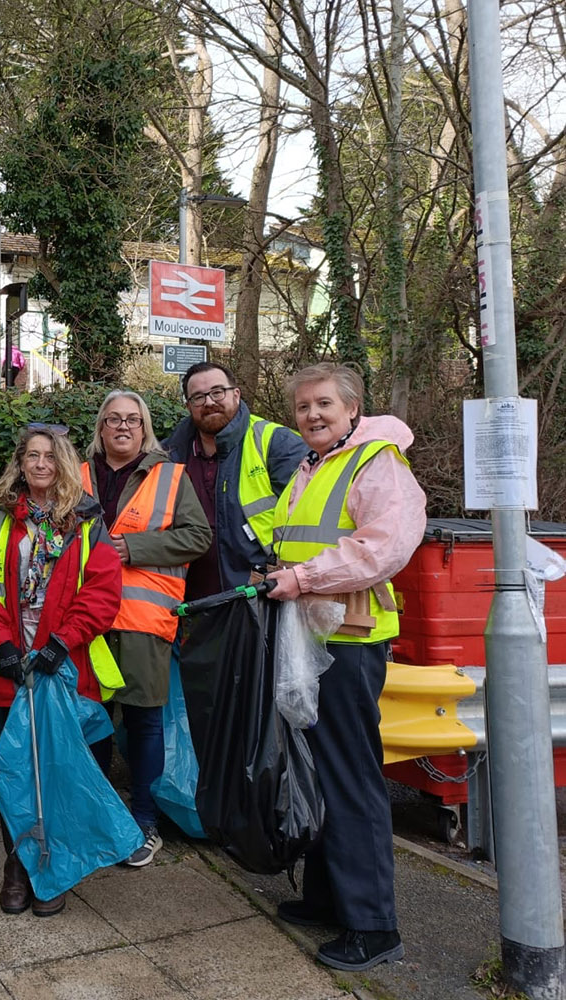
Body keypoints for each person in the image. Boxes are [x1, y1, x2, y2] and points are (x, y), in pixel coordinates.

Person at [265, 363, 425, 972]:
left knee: (351, 776)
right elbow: (301, 540)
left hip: (351, 642)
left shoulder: (377, 462)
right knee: (319, 769)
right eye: (303, 407)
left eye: (323, 404)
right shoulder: (315, 466)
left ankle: (373, 925)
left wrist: (301, 577)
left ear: (352, 408)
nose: (311, 415)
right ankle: (328, 895)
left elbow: (385, 546)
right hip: (313, 633)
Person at [0, 424, 124, 917]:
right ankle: (17, 865)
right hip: (9, 670)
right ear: (20, 463)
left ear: (65, 464)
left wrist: (61, 642)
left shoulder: (88, 522)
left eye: (49, 457)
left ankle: (51, 868)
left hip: (63, 667)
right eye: (31, 456)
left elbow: (102, 591)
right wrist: (4, 643)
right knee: (13, 773)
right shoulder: (1, 522)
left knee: (55, 770)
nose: (39, 465)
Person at [82, 391, 212, 867]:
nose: (122, 427)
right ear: (100, 426)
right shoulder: (76, 473)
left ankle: (143, 822)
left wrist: (132, 550)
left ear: (145, 428)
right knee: (90, 720)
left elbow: (198, 537)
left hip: (142, 620)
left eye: (132, 420)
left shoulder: (171, 476)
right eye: (113, 418)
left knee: (144, 723)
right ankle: (94, 817)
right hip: (84, 622)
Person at [164, 361, 308, 600]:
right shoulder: (170, 454)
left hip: (259, 594)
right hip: (187, 601)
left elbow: (306, 521)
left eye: (217, 392)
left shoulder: (275, 443)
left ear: (236, 395)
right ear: (189, 406)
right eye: (198, 397)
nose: (209, 402)